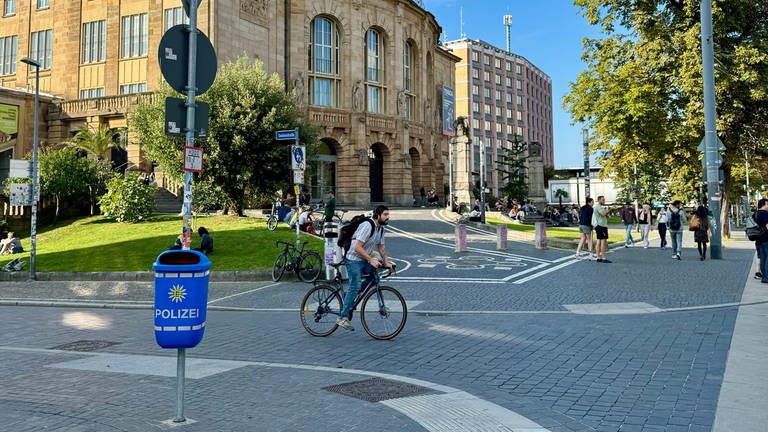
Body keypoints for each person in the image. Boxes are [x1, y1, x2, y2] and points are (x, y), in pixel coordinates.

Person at [337, 205, 394, 331]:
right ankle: (343, 317)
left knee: (375, 277)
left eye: (388, 214)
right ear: (377, 216)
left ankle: (350, 297)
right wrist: (370, 259)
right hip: (352, 258)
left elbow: (381, 248)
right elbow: (357, 247)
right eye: (385, 214)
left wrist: (387, 262)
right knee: (355, 285)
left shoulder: (380, 229)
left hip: (363, 258)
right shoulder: (368, 226)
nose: (387, 217)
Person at [753, 199, 768, 283]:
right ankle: (766, 277)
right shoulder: (765, 214)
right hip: (766, 239)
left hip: (758, 239)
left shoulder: (756, 214)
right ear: (765, 204)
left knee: (762, 258)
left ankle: (764, 277)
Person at [593, 196, 611, 263]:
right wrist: (609, 210)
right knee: (603, 242)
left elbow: (606, 216)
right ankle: (603, 258)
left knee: (598, 241)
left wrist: (607, 212)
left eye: (604, 200)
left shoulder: (599, 207)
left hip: (600, 226)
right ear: (599, 200)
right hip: (601, 226)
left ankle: (598, 257)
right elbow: (603, 214)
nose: (604, 201)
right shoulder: (598, 206)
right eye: (603, 200)